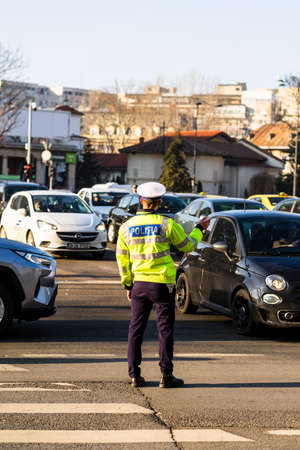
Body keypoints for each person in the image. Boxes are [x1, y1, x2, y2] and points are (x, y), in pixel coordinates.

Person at [116, 181, 210, 388]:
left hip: (139, 284)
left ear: (141, 201)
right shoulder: (166, 224)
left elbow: (122, 260)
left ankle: (134, 375)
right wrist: (199, 229)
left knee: (135, 329)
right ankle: (166, 376)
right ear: (159, 203)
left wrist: (128, 285)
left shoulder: (126, 227)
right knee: (165, 330)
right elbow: (188, 246)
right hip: (162, 285)